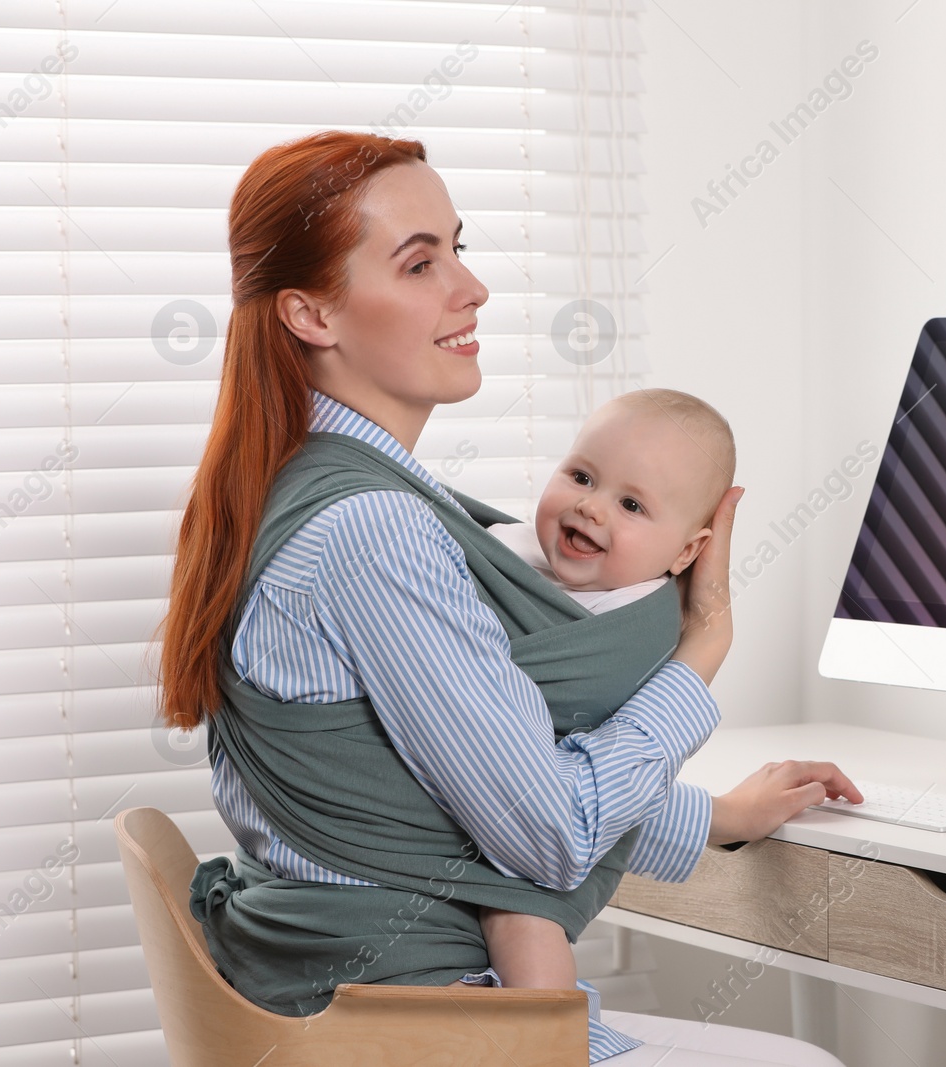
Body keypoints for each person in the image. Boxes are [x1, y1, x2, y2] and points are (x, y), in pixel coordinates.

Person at [158, 129, 861, 1066]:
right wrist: (702, 647)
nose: (470, 288)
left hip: (346, 1001)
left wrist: (714, 817)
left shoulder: (298, 486)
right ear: (311, 314)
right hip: (420, 1022)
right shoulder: (374, 532)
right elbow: (552, 837)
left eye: (459, 246)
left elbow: (446, 784)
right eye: (420, 264)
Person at [481, 388, 738, 993]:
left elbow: (611, 777)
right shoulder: (492, 551)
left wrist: (720, 817)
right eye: (581, 476)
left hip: (538, 840)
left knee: (525, 923)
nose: (591, 508)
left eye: (631, 504)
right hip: (487, 798)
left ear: (688, 551)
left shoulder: (643, 624)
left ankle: (553, 1046)